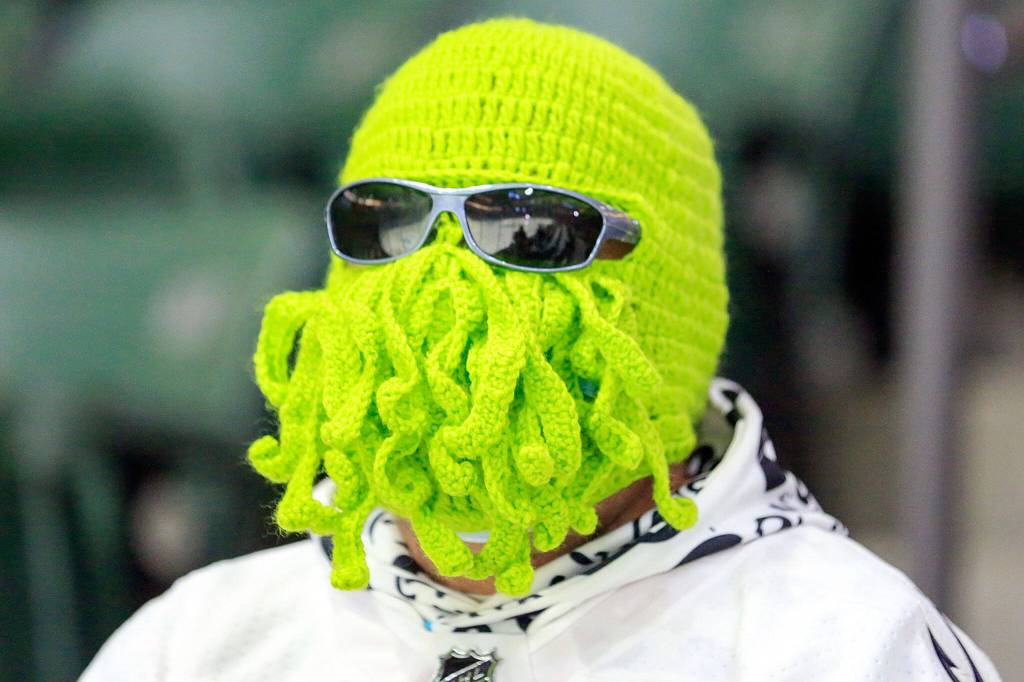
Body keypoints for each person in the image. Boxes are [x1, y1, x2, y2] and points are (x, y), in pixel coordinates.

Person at [82, 18, 1000, 681]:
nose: (439, 282)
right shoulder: (200, 644)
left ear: (669, 299)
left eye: (530, 232)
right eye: (385, 222)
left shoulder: (842, 649)